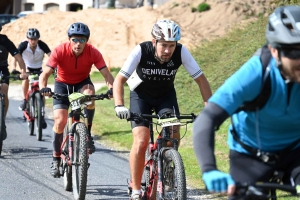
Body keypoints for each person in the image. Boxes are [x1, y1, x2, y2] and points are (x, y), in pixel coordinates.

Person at [193, 5, 300, 200]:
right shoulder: (255, 74)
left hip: (295, 152)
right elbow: (206, 120)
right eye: (294, 53)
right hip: (251, 156)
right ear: (274, 51)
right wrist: (209, 169)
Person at [113, 19, 212, 200]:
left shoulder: (181, 52)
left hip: (165, 97)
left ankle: (168, 165)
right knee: (142, 140)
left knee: (174, 132)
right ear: (154, 42)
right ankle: (136, 189)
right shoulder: (141, 50)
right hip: (140, 97)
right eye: (164, 45)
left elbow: (201, 80)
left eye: (171, 46)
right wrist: (119, 105)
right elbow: (119, 79)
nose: (168, 50)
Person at [39, 22, 114, 177]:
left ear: (87, 41)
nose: (78, 43)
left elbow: (107, 75)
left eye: (82, 40)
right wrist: (43, 88)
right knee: (60, 121)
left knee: (89, 94)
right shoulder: (60, 50)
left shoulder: (93, 52)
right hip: (62, 84)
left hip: (82, 82)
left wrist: (111, 89)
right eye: (75, 40)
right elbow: (44, 74)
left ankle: (87, 132)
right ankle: (56, 159)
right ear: (69, 40)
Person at [13, 28, 51, 129]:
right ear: (28, 39)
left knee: (43, 88)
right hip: (27, 68)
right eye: (31, 39)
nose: (33, 41)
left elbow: (51, 56)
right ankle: (24, 100)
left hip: (39, 69)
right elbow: (16, 56)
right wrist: (14, 69)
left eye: (35, 39)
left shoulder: (42, 45)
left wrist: (53, 68)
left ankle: (41, 114)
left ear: (38, 39)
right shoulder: (23, 45)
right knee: (25, 79)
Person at [0, 23, 27, 140]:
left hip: (2, 70)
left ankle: (2, 121)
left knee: (4, 91)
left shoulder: (5, 40)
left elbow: (18, 57)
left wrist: (23, 71)